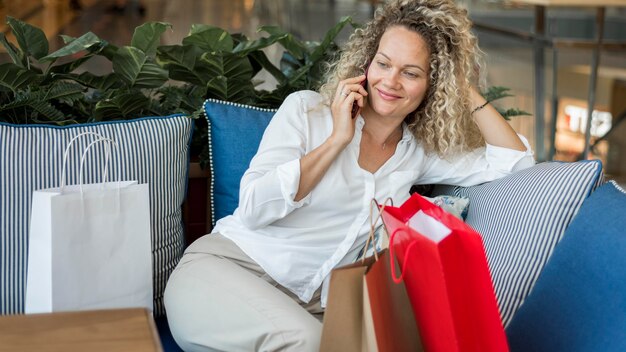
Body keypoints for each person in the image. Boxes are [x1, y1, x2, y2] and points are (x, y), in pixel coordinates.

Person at [164, 0, 535, 350]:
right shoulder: (307, 111)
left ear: (432, 86)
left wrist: (462, 85)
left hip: (311, 307)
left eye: (411, 73)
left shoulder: (418, 153)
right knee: (310, 342)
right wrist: (337, 140)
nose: (391, 81)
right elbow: (255, 209)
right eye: (384, 64)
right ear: (366, 63)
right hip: (225, 272)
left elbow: (515, 161)